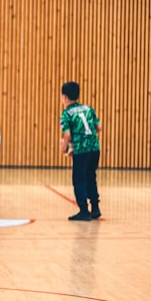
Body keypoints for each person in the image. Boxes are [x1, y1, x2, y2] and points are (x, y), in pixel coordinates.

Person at [60, 81, 102, 221]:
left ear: (64, 97)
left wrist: (64, 148)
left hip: (81, 149)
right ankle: (95, 208)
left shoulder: (66, 113)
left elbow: (67, 135)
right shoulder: (88, 108)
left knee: (79, 179)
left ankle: (84, 210)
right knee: (91, 176)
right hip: (95, 148)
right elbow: (99, 127)